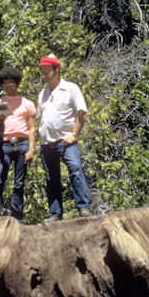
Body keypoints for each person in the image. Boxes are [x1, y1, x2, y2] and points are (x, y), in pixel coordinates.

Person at [37, 54, 92, 222]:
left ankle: (83, 207)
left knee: (75, 169)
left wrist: (74, 134)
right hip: (47, 142)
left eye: (47, 72)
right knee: (51, 178)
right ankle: (55, 214)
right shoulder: (43, 94)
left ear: (57, 71)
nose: (44, 75)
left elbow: (82, 111)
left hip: (65, 140)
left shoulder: (70, 88)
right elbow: (42, 116)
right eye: (42, 72)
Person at [0, 66, 36, 221]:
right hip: (4, 145)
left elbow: (32, 128)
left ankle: (17, 218)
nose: (9, 87)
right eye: (6, 85)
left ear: (17, 83)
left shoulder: (27, 103)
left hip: (22, 144)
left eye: (11, 84)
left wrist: (31, 149)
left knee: (19, 183)